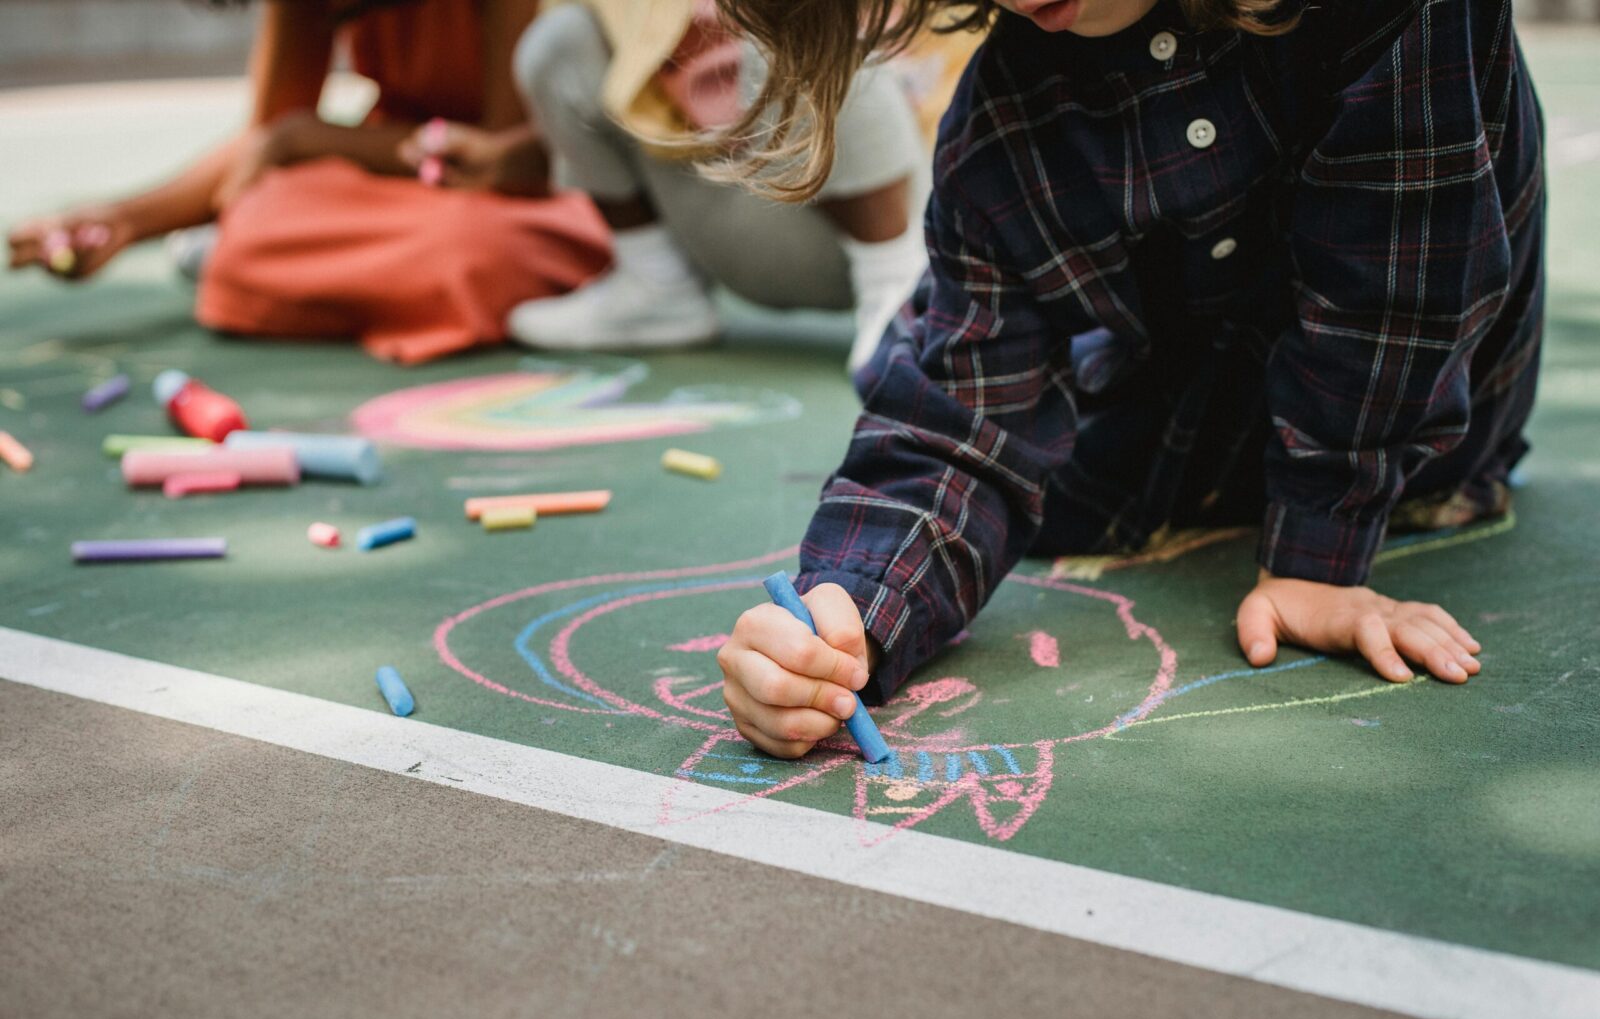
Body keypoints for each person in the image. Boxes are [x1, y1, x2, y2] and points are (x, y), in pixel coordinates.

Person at [712, 0, 1545, 759]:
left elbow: (1402, 285)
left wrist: (1317, 553)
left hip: (1415, 443)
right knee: (948, 364)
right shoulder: (1006, 123)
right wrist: (847, 616)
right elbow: (964, 426)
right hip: (1176, 439)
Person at [6, 0, 609, 365]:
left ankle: (332, 286)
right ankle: (367, 287)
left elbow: (506, 158)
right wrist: (121, 220)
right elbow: (263, 148)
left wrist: (314, 139)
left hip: (531, 191)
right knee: (260, 219)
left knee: (469, 250)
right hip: (408, 185)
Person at [506, 0, 976, 372]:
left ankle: (902, 296)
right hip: (722, 195)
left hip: (887, 210)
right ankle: (657, 286)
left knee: (794, 22)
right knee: (560, 41)